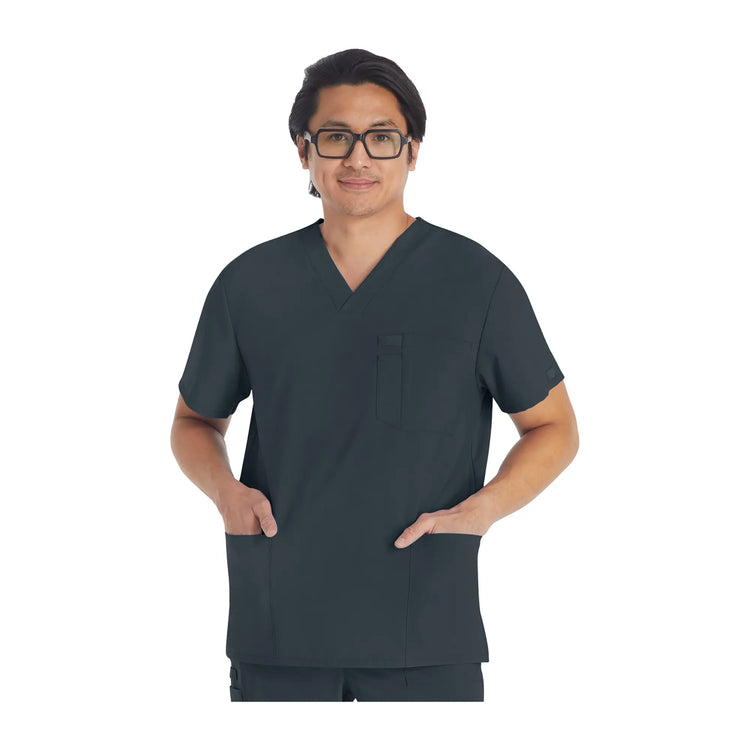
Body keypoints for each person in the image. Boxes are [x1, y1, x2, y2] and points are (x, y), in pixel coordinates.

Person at [171, 48, 579, 702]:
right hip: (280, 622)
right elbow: (195, 421)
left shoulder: (476, 282)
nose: (358, 158)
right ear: (303, 152)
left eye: (382, 138)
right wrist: (225, 492)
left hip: (427, 622)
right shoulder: (250, 284)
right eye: (335, 137)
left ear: (412, 152)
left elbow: (554, 426)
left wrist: (484, 509)